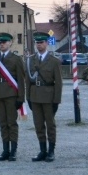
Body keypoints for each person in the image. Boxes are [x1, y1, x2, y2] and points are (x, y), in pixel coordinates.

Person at [26, 32, 63, 162]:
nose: (39, 45)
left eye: (41, 42)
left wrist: (56, 100)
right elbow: (28, 80)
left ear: (47, 43)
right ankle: (42, 150)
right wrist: (28, 97)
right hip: (35, 96)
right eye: (37, 43)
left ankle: (51, 151)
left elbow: (58, 83)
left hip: (48, 96)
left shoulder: (54, 61)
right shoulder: (31, 60)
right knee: (38, 125)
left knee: (50, 125)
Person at [0, 33, 26, 161]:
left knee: (11, 123)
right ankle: (5, 150)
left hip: (11, 94)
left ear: (10, 43)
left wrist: (21, 97)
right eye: (0, 42)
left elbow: (21, 79)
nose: (2, 44)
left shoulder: (16, 59)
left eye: (4, 42)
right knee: (2, 123)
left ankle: (13, 151)